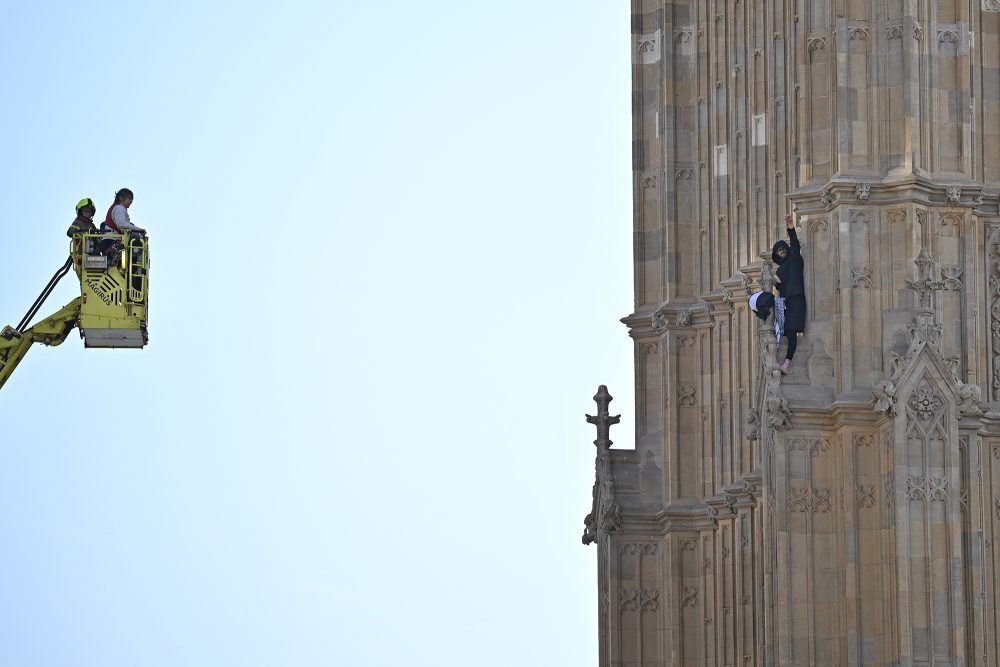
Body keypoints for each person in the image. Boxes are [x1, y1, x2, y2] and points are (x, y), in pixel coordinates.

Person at [771, 213, 806, 375]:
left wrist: (790, 226)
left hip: (797, 298)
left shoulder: (794, 259)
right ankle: (783, 363)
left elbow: (794, 244)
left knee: (792, 330)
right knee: (787, 332)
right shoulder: (779, 270)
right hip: (786, 303)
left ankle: (786, 363)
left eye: (782, 249)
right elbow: (780, 289)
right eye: (778, 251)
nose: (781, 252)